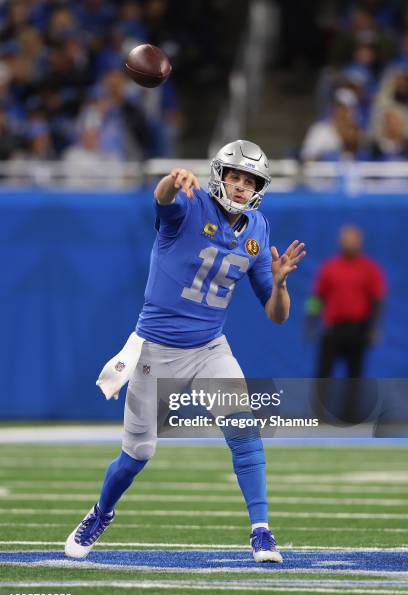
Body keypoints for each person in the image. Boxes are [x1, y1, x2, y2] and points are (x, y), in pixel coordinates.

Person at [64, 139, 306, 563]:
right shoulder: (191, 204)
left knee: (244, 431)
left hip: (209, 347)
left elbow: (277, 315)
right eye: (233, 176)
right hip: (155, 350)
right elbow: (162, 201)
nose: (239, 186)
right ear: (219, 176)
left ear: (259, 187)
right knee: (138, 453)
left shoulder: (258, 229)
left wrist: (282, 284)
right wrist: (172, 182)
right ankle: (100, 513)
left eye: (249, 181)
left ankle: (262, 531)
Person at [306, 224, 386, 422]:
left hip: (358, 329)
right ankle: (319, 414)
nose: (349, 243)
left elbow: (377, 300)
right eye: (346, 239)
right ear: (340, 242)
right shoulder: (329, 267)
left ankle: (350, 416)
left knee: (354, 375)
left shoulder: (369, 268)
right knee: (324, 372)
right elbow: (317, 298)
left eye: (353, 239)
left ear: (360, 242)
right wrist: (311, 321)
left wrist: (375, 328)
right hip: (333, 328)